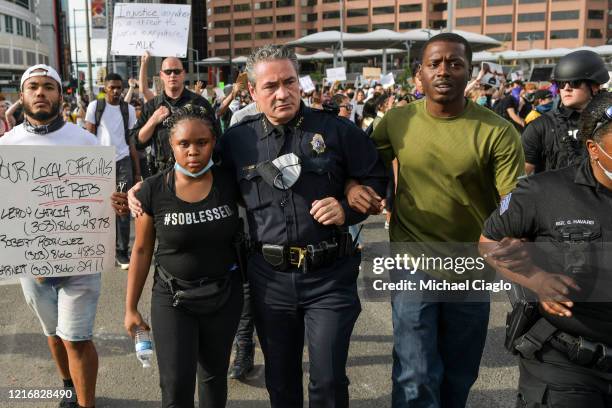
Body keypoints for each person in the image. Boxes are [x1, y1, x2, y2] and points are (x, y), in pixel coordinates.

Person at [128, 44, 387, 408]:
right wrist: (146, 187)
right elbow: (194, 166)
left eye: (289, 82)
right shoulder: (237, 140)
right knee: (280, 382)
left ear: (300, 84)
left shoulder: (337, 130)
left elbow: (375, 178)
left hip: (329, 276)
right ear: (252, 91)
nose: (282, 93)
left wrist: (349, 203)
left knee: (328, 380)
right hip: (270, 279)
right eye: (270, 86)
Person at [370, 33, 525, 408]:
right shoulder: (396, 121)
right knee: (416, 371)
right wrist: (356, 191)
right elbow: (363, 166)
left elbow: (512, 200)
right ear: (419, 73)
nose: (444, 70)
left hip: (471, 263)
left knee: (460, 371)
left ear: (469, 72)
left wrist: (508, 237)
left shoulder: (497, 131)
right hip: (412, 260)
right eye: (434, 63)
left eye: (455, 63)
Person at [0, 64, 125, 408]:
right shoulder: (6, 146)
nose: (41, 93)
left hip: (81, 263)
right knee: (53, 334)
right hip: (32, 267)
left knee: (77, 338)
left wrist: (115, 202)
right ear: (22, 96)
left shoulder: (86, 141)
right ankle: (68, 386)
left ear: (60, 94)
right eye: (34, 87)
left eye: (48, 87)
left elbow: (106, 198)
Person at [479, 91, 612, 407]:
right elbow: (489, 241)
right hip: (565, 365)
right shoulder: (541, 191)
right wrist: (536, 281)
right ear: (593, 149)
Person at [124, 105, 243, 408]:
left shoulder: (231, 183)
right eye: (184, 144)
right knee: (176, 385)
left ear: (214, 142)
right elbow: (140, 250)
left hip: (224, 296)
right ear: (171, 145)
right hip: (173, 299)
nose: (193, 151)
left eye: (201, 143)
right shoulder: (152, 190)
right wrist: (131, 308)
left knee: (214, 378)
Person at [522, 50, 609, 175]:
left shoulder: (607, 122)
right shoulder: (541, 126)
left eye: (575, 83)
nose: (566, 88)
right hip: (553, 193)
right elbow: (521, 173)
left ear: (595, 87)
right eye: (561, 84)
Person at [85, 73, 140, 269]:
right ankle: (101, 249)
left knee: (122, 206)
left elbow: (131, 140)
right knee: (100, 207)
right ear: (105, 88)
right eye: (112, 87)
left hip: (123, 162)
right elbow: (88, 136)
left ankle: (122, 252)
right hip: (100, 163)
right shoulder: (95, 107)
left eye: (119, 87)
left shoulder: (129, 110)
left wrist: (137, 170)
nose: (116, 91)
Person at [130, 56, 215, 175]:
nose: (172, 75)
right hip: (163, 176)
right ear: (161, 75)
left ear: (183, 74)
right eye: (168, 72)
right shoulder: (152, 106)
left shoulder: (200, 103)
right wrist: (153, 120)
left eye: (177, 71)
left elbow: (216, 140)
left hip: (196, 173)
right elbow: (136, 142)